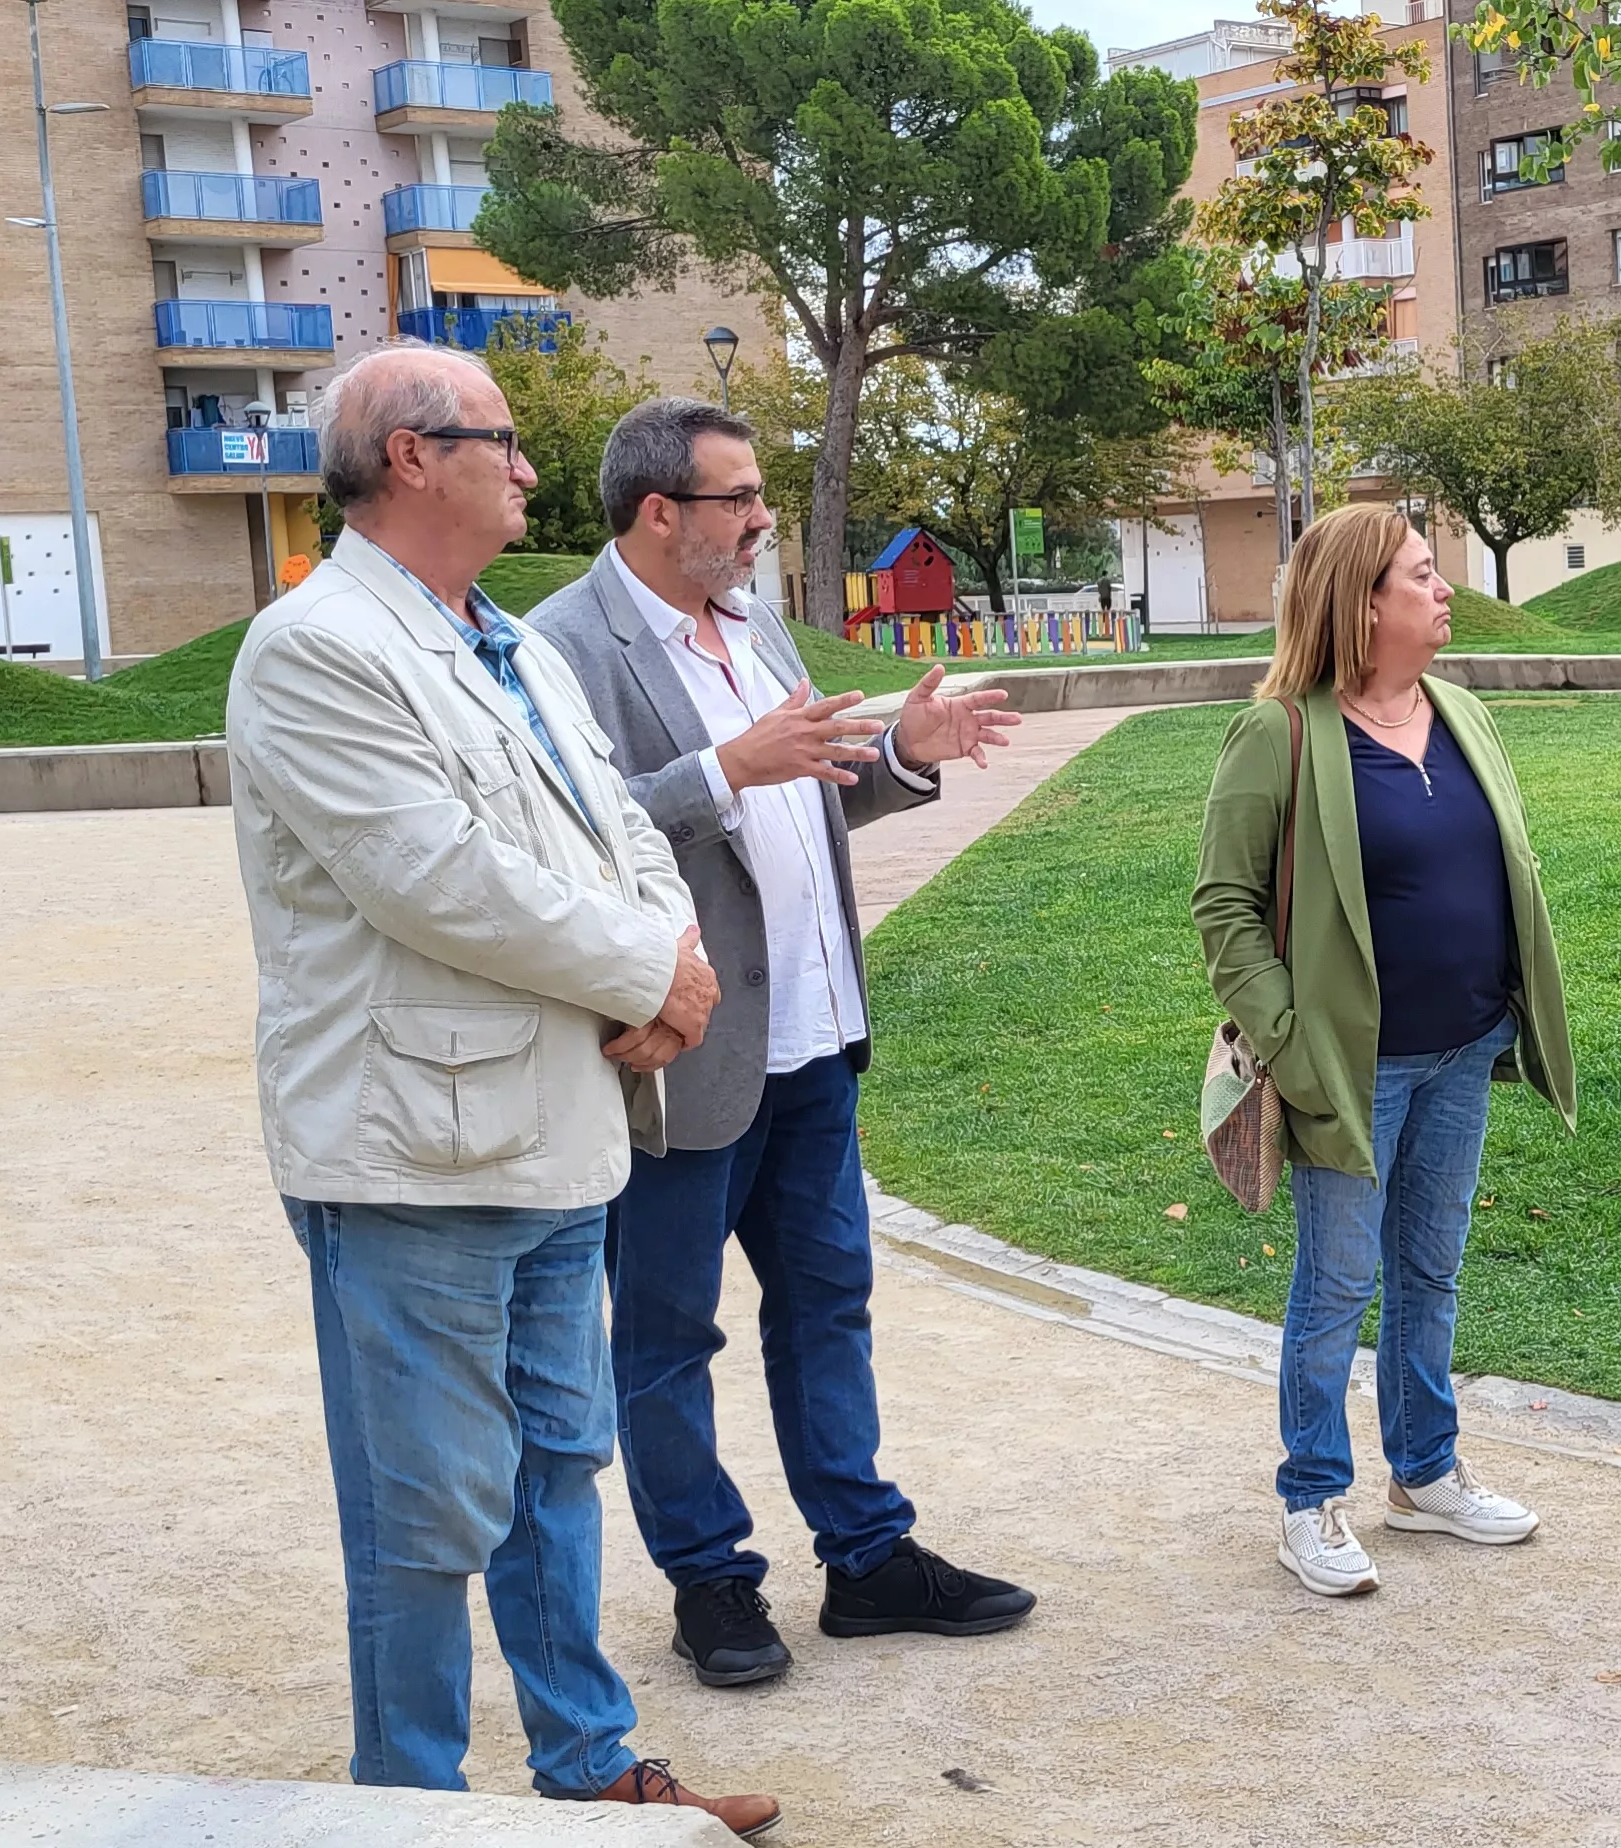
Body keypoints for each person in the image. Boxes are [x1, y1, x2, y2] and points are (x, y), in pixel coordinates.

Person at [223, 348, 779, 1834]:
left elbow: (620, 830)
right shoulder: (315, 647)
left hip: (556, 1136)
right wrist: (646, 976)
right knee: (425, 1513)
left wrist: (672, 955)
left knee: (557, 1476)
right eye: (507, 442)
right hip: (414, 1156)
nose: (533, 469)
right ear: (412, 457)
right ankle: (405, 1807)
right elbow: (441, 881)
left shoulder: (509, 643)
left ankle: (586, 1763)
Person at [524, 398, 1032, 1689]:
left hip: (815, 1039)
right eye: (738, 500)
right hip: (684, 1059)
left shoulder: (754, 625)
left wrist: (903, 754)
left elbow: (805, 787)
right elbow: (566, 840)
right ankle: (712, 1582)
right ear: (659, 514)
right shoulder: (559, 649)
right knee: (667, 1335)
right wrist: (725, 766)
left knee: (827, 1307)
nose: (762, 522)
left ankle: (866, 1559)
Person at [1193, 503, 1580, 1597]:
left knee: (1430, 1267)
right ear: (1363, 605)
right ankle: (1311, 1498)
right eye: (1421, 572)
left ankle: (1424, 1475)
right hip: (1350, 1070)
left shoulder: (1457, 710)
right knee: (1337, 1282)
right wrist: (1293, 1043)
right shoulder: (1280, 732)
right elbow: (1223, 908)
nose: (1443, 586)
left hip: (1463, 1046)